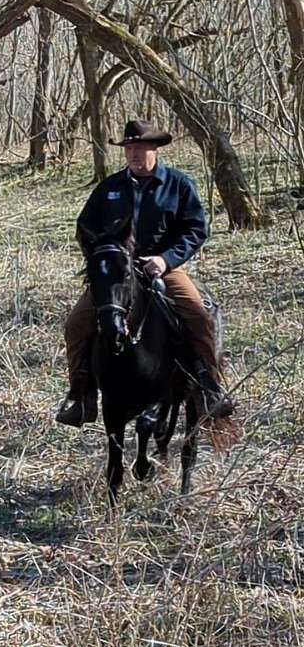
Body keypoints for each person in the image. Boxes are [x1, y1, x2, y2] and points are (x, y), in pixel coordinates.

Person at [56, 119, 234, 427]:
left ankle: (209, 386)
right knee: (75, 324)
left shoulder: (179, 185)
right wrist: (104, 263)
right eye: (129, 149)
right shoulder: (109, 187)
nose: (134, 155)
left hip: (163, 268)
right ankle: (81, 395)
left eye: (140, 149)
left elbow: (195, 229)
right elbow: (85, 227)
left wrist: (165, 260)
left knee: (198, 313)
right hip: (117, 273)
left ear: (155, 150)